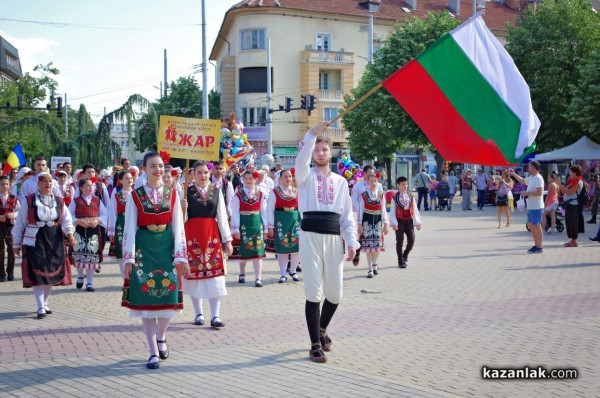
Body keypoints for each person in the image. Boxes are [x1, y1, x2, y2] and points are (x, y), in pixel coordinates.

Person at [295, 121, 359, 363]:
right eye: (316, 150)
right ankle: (314, 344)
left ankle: (321, 330)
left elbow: (346, 216)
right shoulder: (304, 176)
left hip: (333, 238)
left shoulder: (341, 182)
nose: (320, 153)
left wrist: (352, 242)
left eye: (324, 150)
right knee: (314, 292)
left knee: (335, 294)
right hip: (310, 235)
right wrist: (311, 133)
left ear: (331, 152)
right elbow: (300, 161)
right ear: (312, 152)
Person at [121, 151, 188, 370]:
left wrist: (182, 256)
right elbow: (129, 227)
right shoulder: (135, 195)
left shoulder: (173, 193)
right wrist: (128, 259)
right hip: (144, 248)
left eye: (160, 166)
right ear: (145, 169)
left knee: (168, 298)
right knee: (147, 304)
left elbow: (178, 226)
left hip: (166, 248)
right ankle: (152, 352)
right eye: (153, 166)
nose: (158, 170)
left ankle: (161, 336)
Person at [11, 173, 77, 318]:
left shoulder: (59, 201)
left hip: (54, 238)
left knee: (51, 271)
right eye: (44, 181)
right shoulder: (29, 201)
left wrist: (70, 235)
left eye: (50, 181)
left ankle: (45, 303)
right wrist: (15, 244)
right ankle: (40, 306)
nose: (48, 184)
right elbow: (20, 223)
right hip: (35, 239)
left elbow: (67, 220)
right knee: (38, 271)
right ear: (38, 184)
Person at [181, 161, 233, 328]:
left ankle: (215, 316)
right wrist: (183, 210)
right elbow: (182, 221)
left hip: (212, 236)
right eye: (199, 173)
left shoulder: (217, 192)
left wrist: (227, 240)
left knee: (215, 277)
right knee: (194, 277)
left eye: (205, 172)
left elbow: (222, 218)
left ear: (209, 174)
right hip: (192, 236)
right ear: (193, 175)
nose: (203, 176)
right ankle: (198, 313)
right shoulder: (185, 193)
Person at [68, 178, 108, 292]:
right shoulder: (75, 201)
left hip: (93, 231)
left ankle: (90, 282)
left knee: (92, 256)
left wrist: (98, 221)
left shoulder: (97, 200)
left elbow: (105, 214)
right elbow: (68, 215)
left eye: (92, 186)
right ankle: (80, 276)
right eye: (88, 186)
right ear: (81, 188)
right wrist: (77, 221)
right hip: (79, 231)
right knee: (78, 254)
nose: (91, 188)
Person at [230, 170, 268, 287]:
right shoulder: (238, 194)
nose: (248, 181)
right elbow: (235, 212)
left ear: (255, 179)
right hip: (243, 224)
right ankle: (242, 273)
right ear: (243, 179)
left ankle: (258, 278)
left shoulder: (260, 193)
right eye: (246, 178)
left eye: (250, 178)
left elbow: (263, 212)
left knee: (258, 251)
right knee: (243, 250)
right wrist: (235, 229)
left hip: (256, 224)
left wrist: (265, 228)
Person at [266, 169, 301, 283]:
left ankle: (293, 271)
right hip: (281, 221)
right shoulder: (275, 192)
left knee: (296, 248)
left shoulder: (296, 191)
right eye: (285, 177)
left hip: (295, 222)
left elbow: (301, 208)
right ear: (280, 179)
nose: (288, 179)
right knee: (283, 249)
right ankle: (282, 273)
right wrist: (270, 226)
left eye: (290, 176)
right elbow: (269, 210)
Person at [357, 173, 388, 278]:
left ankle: (375, 264)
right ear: (367, 183)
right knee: (368, 246)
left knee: (377, 246)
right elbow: (361, 210)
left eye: (375, 181)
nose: (373, 183)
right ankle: (370, 268)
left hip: (378, 221)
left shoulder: (381, 195)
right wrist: (360, 224)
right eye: (371, 181)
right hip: (367, 221)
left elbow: (383, 209)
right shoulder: (364, 195)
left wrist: (386, 223)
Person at [510, 161, 545, 253]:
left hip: (536, 206)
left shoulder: (538, 178)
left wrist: (527, 193)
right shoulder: (532, 177)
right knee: (530, 224)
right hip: (531, 206)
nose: (528, 168)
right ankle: (536, 244)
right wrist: (514, 174)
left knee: (537, 225)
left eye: (529, 167)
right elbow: (523, 181)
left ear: (534, 167)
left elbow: (539, 192)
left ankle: (539, 246)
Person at [389, 176, 422, 268]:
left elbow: (415, 210)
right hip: (399, 221)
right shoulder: (394, 197)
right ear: (398, 185)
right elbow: (392, 211)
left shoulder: (410, 196)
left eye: (406, 184)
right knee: (400, 241)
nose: (405, 186)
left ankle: (405, 254)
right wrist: (394, 223)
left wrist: (417, 222)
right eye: (403, 184)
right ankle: (400, 260)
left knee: (411, 240)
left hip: (409, 221)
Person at [107, 170, 134, 277]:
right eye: (127, 178)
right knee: (122, 253)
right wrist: (111, 231)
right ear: (121, 180)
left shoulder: (137, 194)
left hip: (134, 224)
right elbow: (112, 212)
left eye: (131, 178)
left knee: (135, 251)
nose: (129, 180)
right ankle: (125, 279)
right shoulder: (117, 195)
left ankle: (134, 280)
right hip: (121, 224)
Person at [556, 165, 584, 248]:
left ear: (575, 172)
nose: (569, 172)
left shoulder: (579, 182)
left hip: (573, 205)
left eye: (570, 171)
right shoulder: (572, 181)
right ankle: (572, 240)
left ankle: (574, 241)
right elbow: (564, 191)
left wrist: (560, 185)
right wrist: (561, 186)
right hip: (568, 205)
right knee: (568, 223)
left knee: (573, 223)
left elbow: (568, 192)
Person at [0, 176, 20, 282]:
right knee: (0, 250)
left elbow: (20, 211)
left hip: (11, 225)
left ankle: (10, 271)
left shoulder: (13, 198)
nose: (5, 186)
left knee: (11, 248)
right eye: (2, 184)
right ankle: (1, 273)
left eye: (7, 184)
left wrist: (13, 214)